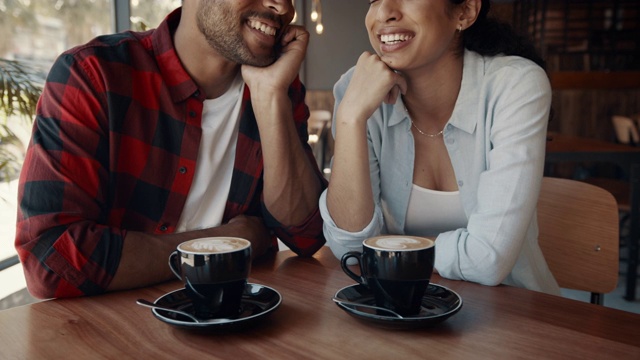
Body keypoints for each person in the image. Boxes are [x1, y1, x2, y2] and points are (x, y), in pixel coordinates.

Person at [15, 0, 326, 299]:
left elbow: (307, 234)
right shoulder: (94, 74)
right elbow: (51, 260)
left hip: (233, 321)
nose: (283, 6)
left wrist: (270, 94)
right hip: (113, 332)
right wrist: (225, 242)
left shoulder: (277, 87)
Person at [320, 0, 560, 295]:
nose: (384, 12)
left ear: (465, 11)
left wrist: (388, 250)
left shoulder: (515, 85)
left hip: (512, 317)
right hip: (400, 309)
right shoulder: (356, 90)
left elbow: (487, 259)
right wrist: (350, 117)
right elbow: (349, 245)